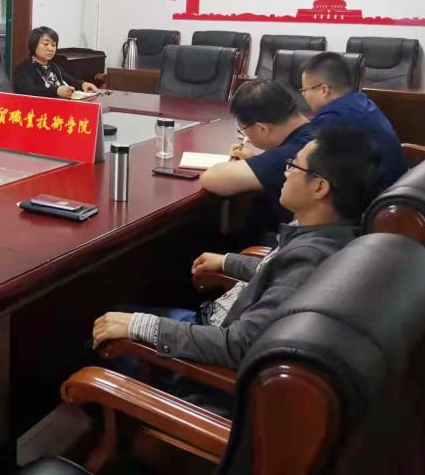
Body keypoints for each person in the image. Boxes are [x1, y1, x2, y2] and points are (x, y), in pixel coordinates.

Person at [92, 125, 380, 370]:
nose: (286, 172)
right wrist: (228, 262)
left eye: (293, 165)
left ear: (319, 188)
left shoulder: (307, 259)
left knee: (93, 339)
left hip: (206, 362)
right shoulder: (330, 234)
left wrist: (140, 327)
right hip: (218, 322)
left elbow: (240, 346)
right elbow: (277, 272)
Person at [200, 80, 314, 213]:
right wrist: (255, 163)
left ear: (261, 129)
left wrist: (253, 164)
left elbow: (211, 178)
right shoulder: (319, 127)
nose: (244, 135)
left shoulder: (296, 154)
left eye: (243, 129)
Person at [300, 51, 406, 191]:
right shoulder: (360, 101)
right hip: (394, 190)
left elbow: (303, 164)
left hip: (374, 198)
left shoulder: (333, 119)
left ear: (323, 90)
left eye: (304, 90)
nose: (304, 96)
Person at [12, 27, 99, 98]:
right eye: (45, 44)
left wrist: (83, 84)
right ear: (34, 45)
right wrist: (56, 91)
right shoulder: (24, 69)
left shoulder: (53, 66)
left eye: (53, 45)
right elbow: (29, 91)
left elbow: (69, 80)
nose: (51, 48)